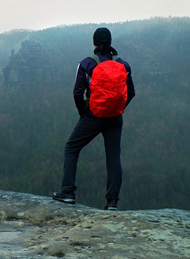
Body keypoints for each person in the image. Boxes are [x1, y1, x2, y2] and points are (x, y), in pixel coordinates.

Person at [53, 27, 135, 210]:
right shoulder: (123, 65)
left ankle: (68, 192)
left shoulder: (86, 64)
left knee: (71, 148)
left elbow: (77, 93)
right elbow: (131, 92)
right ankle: (112, 201)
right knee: (113, 157)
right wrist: (118, 109)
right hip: (115, 117)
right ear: (110, 42)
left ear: (94, 43)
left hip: (93, 115)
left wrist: (84, 112)